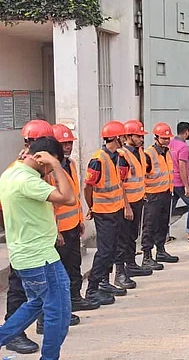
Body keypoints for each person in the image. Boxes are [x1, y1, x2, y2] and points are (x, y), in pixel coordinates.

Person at [0, 137, 77, 360]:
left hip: (25, 255)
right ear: (43, 160)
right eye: (51, 166)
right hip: (40, 258)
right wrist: (55, 164)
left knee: (36, 304)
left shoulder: (10, 173)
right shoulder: (27, 180)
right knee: (59, 312)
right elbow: (69, 198)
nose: (51, 173)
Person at [1, 120, 55, 355]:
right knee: (19, 288)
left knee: (41, 294)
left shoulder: (39, 167)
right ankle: (14, 334)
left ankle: (42, 321)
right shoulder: (20, 171)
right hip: (25, 240)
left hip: (39, 239)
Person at [39, 124, 97, 334]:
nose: (67, 147)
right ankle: (47, 317)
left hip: (73, 226)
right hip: (58, 232)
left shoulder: (70, 164)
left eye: (69, 143)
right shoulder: (47, 170)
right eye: (63, 143)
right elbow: (50, 203)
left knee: (74, 268)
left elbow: (74, 194)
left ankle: (74, 300)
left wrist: (81, 219)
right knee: (56, 276)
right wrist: (55, 231)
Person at [85, 121, 129, 304]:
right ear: (116, 138)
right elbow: (88, 187)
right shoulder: (98, 160)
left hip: (116, 210)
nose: (125, 140)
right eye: (123, 137)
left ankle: (104, 281)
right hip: (104, 212)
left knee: (112, 250)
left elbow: (120, 183)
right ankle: (92, 287)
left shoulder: (117, 157)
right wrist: (91, 207)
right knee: (104, 251)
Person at [116, 120, 154, 285]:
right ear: (128, 136)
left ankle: (131, 264)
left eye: (141, 136)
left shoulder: (140, 153)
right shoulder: (123, 156)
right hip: (127, 204)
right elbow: (121, 183)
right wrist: (126, 205)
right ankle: (121, 271)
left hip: (138, 200)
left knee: (133, 236)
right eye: (138, 136)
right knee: (123, 238)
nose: (141, 139)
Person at [142, 122, 179, 270]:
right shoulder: (149, 154)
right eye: (163, 138)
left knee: (163, 224)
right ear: (156, 137)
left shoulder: (167, 152)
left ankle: (161, 250)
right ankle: (146, 256)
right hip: (152, 196)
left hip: (165, 193)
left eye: (168, 138)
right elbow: (142, 175)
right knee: (150, 225)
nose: (166, 140)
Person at [169, 122, 189, 242]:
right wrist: (186, 186)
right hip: (181, 182)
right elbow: (182, 167)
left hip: (171, 182)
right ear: (186, 132)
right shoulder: (183, 147)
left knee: (169, 208)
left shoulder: (170, 143)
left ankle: (164, 236)